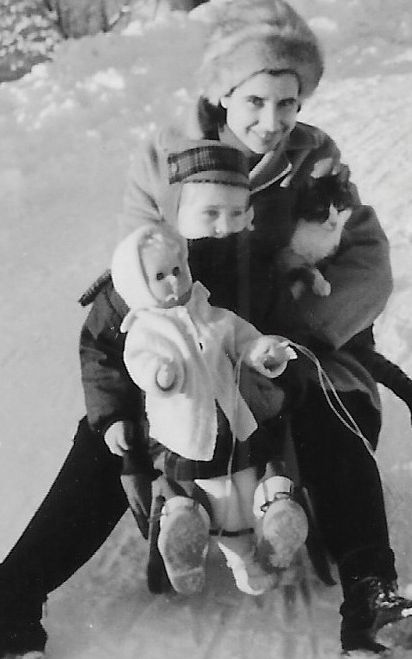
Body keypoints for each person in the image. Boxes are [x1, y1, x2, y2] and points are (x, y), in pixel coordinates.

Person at [0, 0, 412, 659]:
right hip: (186, 350)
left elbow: (368, 265)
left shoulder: (313, 161)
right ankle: (7, 606)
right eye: (255, 101)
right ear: (223, 93)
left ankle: (370, 598)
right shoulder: (166, 157)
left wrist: (283, 334)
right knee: (108, 434)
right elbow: (136, 269)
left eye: (288, 102)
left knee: (327, 411)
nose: (272, 121)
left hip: (277, 344)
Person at [108, 213, 304, 598]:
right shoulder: (144, 330)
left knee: (244, 489)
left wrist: (264, 351)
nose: (175, 281)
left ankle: (267, 536)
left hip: (235, 425)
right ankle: (188, 537)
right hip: (187, 434)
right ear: (138, 284)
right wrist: (161, 375)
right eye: (160, 276)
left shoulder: (212, 315)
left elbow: (244, 340)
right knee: (213, 494)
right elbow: (140, 362)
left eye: (177, 269)